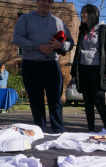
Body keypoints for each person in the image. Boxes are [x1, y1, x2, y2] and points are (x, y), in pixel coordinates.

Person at [12, 0, 74, 133]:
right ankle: (39, 132)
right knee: (35, 101)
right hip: (30, 65)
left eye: (50, 1)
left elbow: (71, 42)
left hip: (51, 65)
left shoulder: (58, 22)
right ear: (37, 1)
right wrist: (37, 46)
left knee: (55, 101)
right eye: (44, 0)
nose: (47, 3)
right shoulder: (25, 19)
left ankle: (59, 131)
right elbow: (16, 38)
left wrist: (61, 45)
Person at [71, 4, 106, 132]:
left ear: (92, 14)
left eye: (85, 12)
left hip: (97, 71)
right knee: (88, 102)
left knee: (99, 101)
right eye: (82, 12)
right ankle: (90, 130)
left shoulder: (104, 30)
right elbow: (78, 51)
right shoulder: (83, 30)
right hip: (84, 70)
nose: (82, 14)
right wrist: (74, 72)